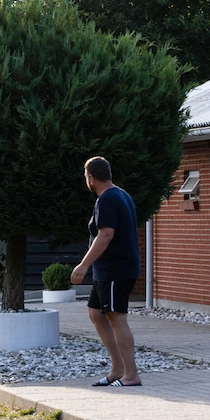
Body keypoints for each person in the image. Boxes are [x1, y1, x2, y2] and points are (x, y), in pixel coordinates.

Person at [71, 156, 142, 387]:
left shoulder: (107, 199)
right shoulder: (122, 195)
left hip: (115, 271)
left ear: (91, 178)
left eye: (85, 177)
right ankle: (117, 369)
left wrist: (83, 265)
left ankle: (131, 375)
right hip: (109, 271)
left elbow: (106, 235)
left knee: (116, 318)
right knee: (95, 313)